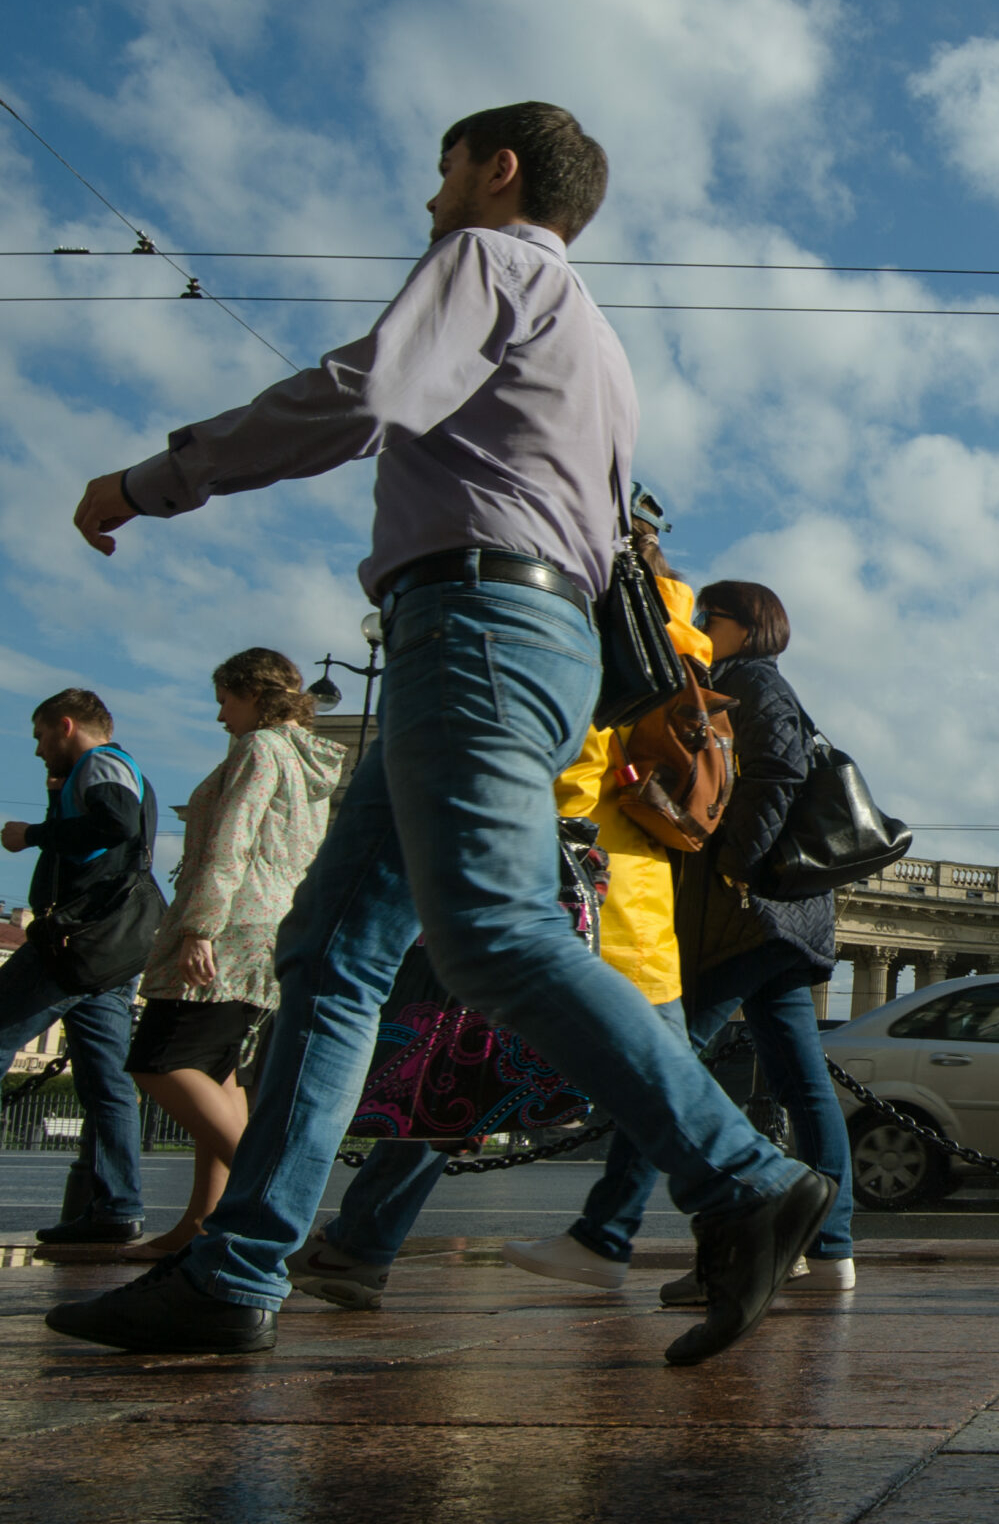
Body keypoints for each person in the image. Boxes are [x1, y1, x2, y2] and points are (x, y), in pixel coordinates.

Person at [47, 102, 826, 1365]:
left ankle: (738, 1175)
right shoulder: (599, 339)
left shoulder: (488, 260)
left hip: (471, 621)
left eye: (443, 170)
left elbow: (363, 394)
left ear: (499, 169)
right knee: (332, 952)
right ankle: (239, 1270)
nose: (429, 200)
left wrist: (154, 477)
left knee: (495, 933)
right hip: (505, 637)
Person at [529, 580, 857, 1295]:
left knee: (666, 1061)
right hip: (781, 923)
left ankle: (605, 1233)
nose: (704, 627)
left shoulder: (753, 683)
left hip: (752, 917)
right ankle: (832, 1251)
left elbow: (776, 774)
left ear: (746, 629)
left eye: (713, 617)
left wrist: (735, 866)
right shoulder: (750, 685)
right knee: (804, 1084)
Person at [126, 652, 344, 1259]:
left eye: (226, 698)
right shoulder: (310, 761)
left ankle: (278, 1210)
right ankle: (200, 1222)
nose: (221, 714)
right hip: (271, 925)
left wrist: (198, 927)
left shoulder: (261, 749)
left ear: (253, 694)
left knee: (161, 1060)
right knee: (219, 1071)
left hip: (227, 924)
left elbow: (232, 838)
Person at [0, 691, 155, 1245]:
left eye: (42, 737)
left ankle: (116, 1207)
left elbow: (114, 826)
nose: (40, 750)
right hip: (111, 952)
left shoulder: (101, 764)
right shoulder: (111, 770)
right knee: (107, 1082)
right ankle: (117, 1208)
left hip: (74, 944)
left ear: (66, 726)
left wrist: (32, 835)